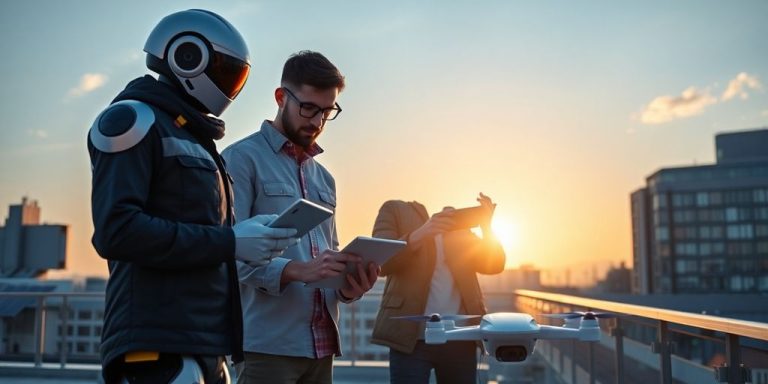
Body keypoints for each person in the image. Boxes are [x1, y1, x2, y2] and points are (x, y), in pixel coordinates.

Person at [87, 9, 299, 384]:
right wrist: (231, 241)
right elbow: (116, 230)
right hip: (158, 341)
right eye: (225, 71)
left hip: (206, 340)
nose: (229, 85)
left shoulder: (194, 136)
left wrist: (247, 237)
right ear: (188, 56)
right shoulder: (133, 120)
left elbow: (199, 232)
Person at [222, 50, 380, 384]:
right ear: (281, 97)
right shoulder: (240, 160)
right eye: (309, 108)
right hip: (266, 347)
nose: (318, 122)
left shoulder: (325, 179)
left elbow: (329, 260)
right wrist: (298, 270)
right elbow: (228, 254)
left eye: (327, 112)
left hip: (321, 349)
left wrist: (351, 284)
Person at [371, 193, 506, 383]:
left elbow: (494, 264)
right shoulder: (394, 210)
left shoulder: (461, 231)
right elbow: (380, 261)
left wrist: (486, 227)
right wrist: (422, 233)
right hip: (411, 339)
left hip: (459, 337)